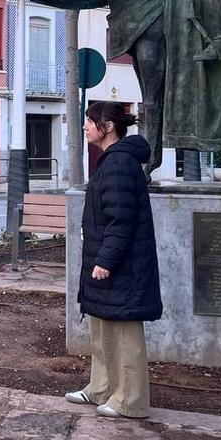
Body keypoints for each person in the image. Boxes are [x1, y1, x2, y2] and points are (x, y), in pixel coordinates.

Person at [65, 102, 162, 419]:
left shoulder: (120, 164)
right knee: (103, 328)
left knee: (124, 333)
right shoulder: (111, 161)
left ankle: (130, 401)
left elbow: (121, 219)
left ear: (108, 127)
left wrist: (106, 260)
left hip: (122, 266)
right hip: (108, 261)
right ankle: (101, 389)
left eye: (91, 121)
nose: (86, 126)